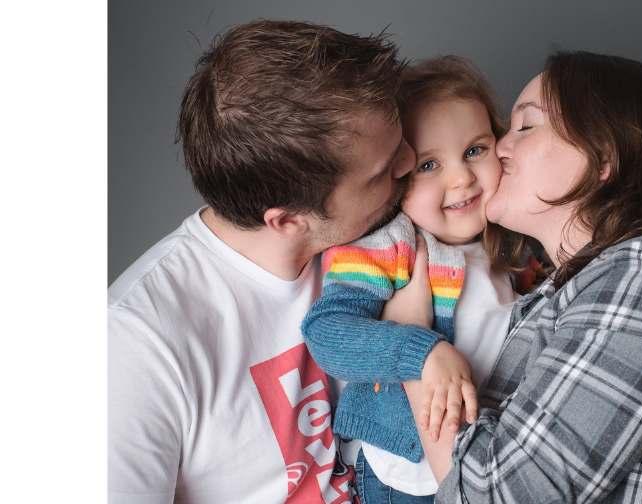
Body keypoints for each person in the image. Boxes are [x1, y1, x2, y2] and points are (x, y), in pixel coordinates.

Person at [394, 51, 642, 502]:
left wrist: (410, 343)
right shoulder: (564, 287)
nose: (500, 147)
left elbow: (494, 495)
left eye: (527, 126)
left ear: (602, 157)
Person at [107, 20, 417, 503]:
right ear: (288, 219)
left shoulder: (382, 232)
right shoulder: (135, 346)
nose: (411, 162)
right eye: (382, 170)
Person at [302, 56, 539, 504]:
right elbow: (327, 333)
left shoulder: (505, 238)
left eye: (475, 150)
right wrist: (423, 353)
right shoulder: (393, 246)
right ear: (395, 175)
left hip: (478, 461)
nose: (462, 177)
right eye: (429, 165)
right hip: (405, 474)